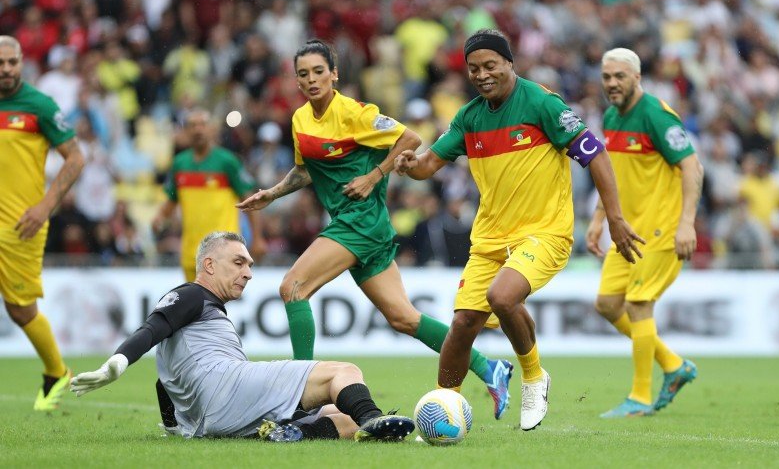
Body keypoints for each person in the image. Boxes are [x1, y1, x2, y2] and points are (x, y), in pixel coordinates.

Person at [236, 39, 513, 420]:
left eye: (319, 71)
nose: (312, 79)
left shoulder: (356, 113)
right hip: (358, 227)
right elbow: (306, 170)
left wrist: (373, 176)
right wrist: (273, 194)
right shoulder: (301, 119)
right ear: (297, 80)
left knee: (292, 287)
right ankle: (490, 368)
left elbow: (411, 138)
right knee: (403, 319)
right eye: (304, 74)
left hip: (360, 222)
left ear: (334, 74)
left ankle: (299, 397)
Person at [394, 29, 643, 431]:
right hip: (490, 240)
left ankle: (533, 377)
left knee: (502, 296)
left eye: (491, 65)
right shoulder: (469, 116)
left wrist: (613, 217)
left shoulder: (541, 102)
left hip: (544, 232)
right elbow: (427, 166)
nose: (482, 74)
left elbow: (594, 154)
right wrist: (410, 165)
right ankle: (443, 410)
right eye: (474, 68)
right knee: (462, 326)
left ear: (510, 63)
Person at [70, 231, 414, 442]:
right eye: (238, 263)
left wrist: (176, 429)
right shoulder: (191, 294)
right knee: (345, 372)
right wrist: (116, 363)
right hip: (229, 391)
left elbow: (165, 380)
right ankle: (375, 419)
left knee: (340, 417)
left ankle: (294, 434)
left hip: (214, 419)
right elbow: (151, 329)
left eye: (249, 265)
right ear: (208, 265)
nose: (248, 273)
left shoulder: (199, 316)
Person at [586, 48, 704, 418]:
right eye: (607, 77)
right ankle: (673, 365)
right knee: (607, 304)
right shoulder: (610, 117)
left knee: (638, 305)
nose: (612, 83)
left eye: (620, 76)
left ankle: (639, 397)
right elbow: (613, 173)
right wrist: (598, 218)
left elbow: (693, 167)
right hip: (629, 231)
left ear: (637, 78)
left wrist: (686, 223)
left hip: (661, 229)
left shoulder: (655, 115)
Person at [0, 35, 85, 411]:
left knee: (20, 310)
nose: (5, 70)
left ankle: (56, 371)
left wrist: (45, 206)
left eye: (11, 63)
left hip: (20, 224)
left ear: (22, 63)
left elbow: (76, 158)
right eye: (0, 64)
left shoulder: (39, 106)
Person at [152, 108, 266, 282]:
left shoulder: (227, 162)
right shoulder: (179, 164)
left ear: (212, 129)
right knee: (197, 307)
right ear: (186, 131)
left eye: (203, 124)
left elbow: (250, 201)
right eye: (192, 125)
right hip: (191, 253)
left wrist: (257, 238)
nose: (198, 129)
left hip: (222, 252)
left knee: (214, 305)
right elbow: (171, 201)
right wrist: (159, 217)